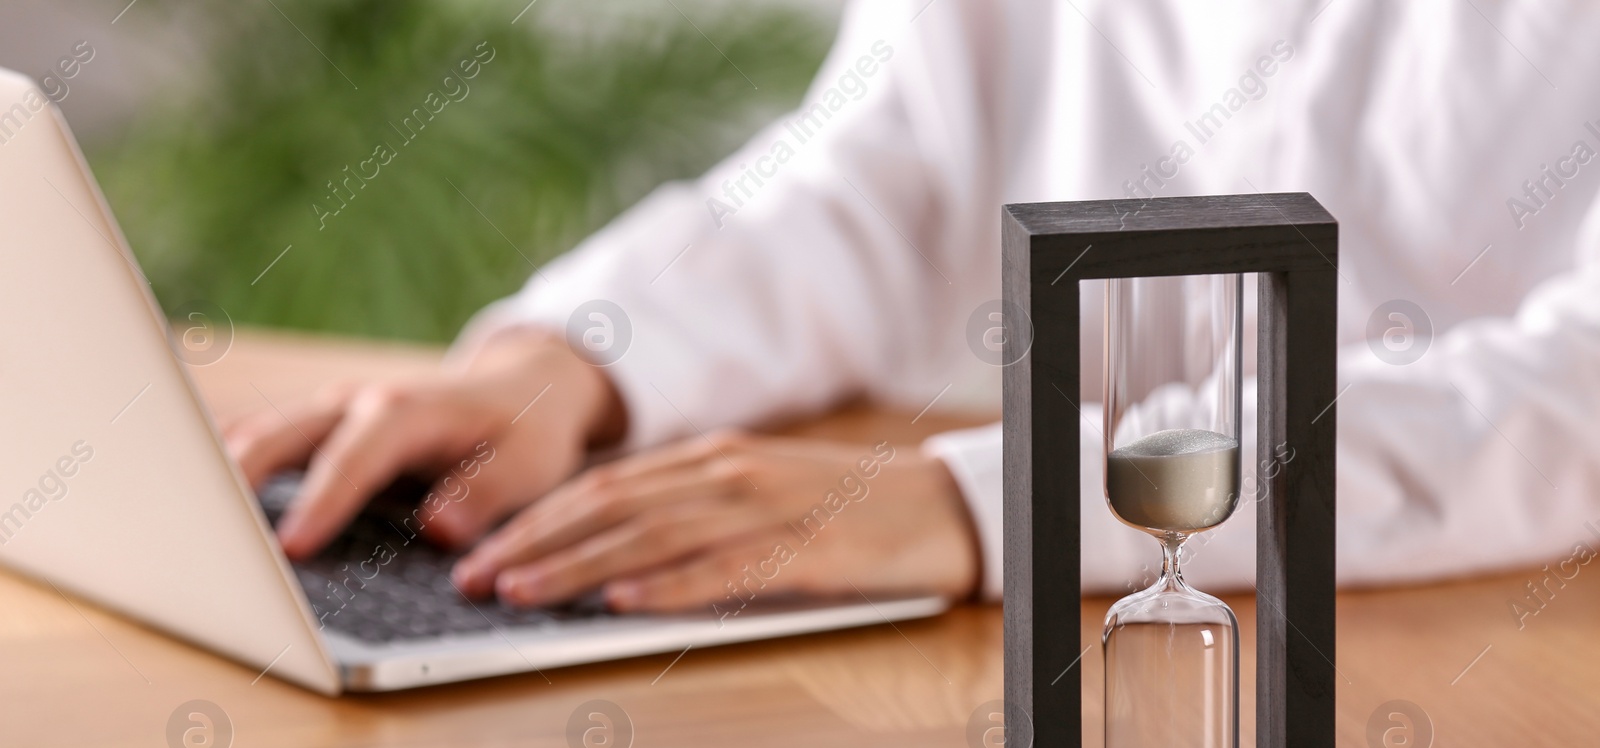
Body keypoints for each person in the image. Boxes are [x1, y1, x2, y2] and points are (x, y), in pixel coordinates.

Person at [228, 0, 1600, 612]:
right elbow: (874, 166)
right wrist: (575, 357)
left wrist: (996, 504)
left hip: (1472, 668)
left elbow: (1570, 393)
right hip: (1069, 635)